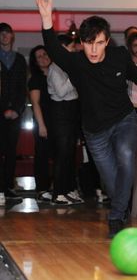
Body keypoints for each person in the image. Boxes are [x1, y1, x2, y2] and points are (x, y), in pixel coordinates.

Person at [36, 0, 137, 238]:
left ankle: (116, 217)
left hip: (123, 120)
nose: (93, 50)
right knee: (111, 179)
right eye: (88, 43)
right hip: (95, 132)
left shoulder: (119, 56)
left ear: (107, 41)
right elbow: (53, 48)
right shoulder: (76, 63)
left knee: (127, 157)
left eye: (98, 43)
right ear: (82, 43)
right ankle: (122, 205)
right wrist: (46, 18)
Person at [47, 34, 84, 204]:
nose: (74, 50)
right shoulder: (55, 68)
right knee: (62, 154)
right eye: (71, 47)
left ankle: (68, 189)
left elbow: (74, 92)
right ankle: (57, 193)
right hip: (60, 113)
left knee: (70, 154)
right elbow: (62, 92)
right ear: (63, 48)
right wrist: (74, 77)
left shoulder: (65, 66)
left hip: (70, 111)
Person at [0, 22, 27, 205]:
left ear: (12, 36)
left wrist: (17, 110)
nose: (4, 36)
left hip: (15, 114)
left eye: (7, 33)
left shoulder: (19, 59)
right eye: (1, 34)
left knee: (11, 151)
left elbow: (22, 88)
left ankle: (8, 187)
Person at [28, 45, 53, 202]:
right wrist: (42, 126)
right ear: (35, 62)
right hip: (41, 121)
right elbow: (35, 103)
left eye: (45, 54)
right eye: (39, 56)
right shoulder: (36, 79)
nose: (44, 57)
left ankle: (56, 188)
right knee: (42, 156)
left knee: (58, 156)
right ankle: (42, 189)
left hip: (56, 122)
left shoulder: (55, 75)